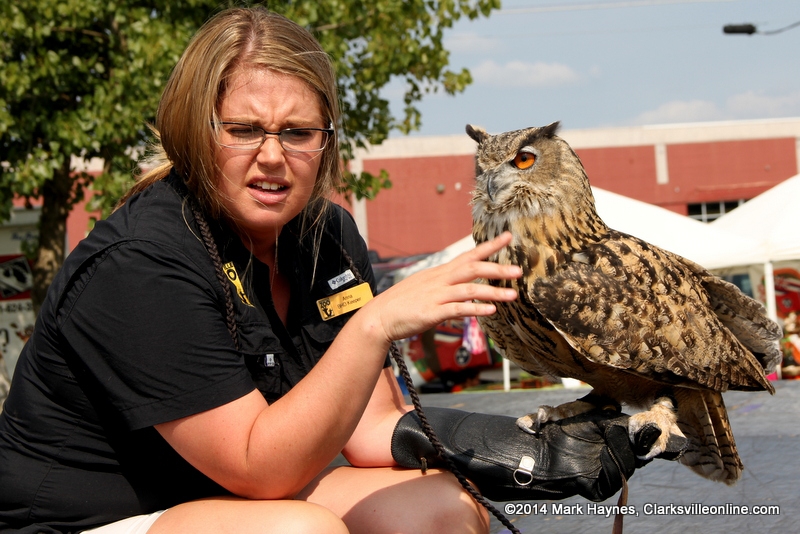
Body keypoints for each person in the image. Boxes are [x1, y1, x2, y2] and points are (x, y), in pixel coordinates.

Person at [0, 7, 666, 534]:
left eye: (298, 132)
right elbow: (259, 468)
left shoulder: (327, 237)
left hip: (228, 500)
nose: (272, 156)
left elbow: (373, 429)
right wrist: (376, 324)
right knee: (301, 532)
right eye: (244, 129)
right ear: (193, 132)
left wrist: (531, 450)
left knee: (440, 508)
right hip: (91, 519)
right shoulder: (142, 261)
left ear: (325, 141)